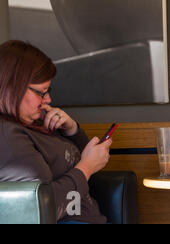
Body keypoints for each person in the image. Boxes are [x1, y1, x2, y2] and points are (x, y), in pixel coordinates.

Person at [0, 40, 112, 224]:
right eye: (41, 92)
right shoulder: (8, 136)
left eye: (48, 90)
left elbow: (80, 159)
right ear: (12, 88)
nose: (48, 99)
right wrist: (87, 167)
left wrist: (71, 129)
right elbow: (42, 207)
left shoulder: (33, 122)